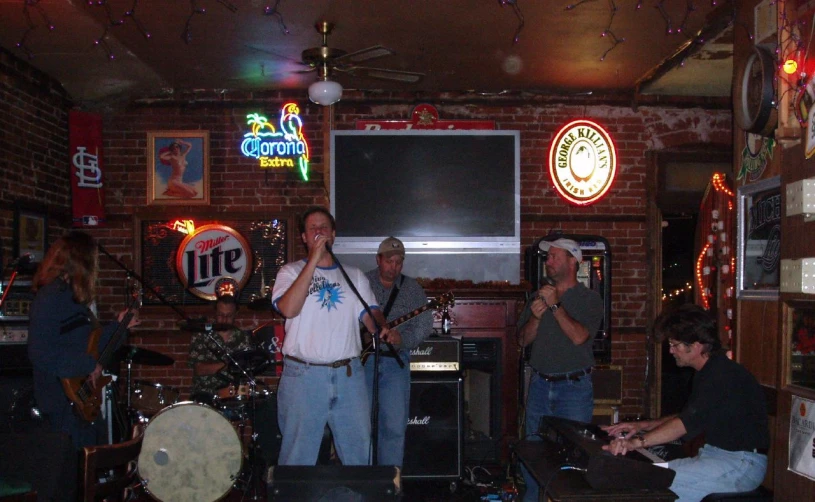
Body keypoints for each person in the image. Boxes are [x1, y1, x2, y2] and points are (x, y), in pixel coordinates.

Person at [602, 304, 769, 502]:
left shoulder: (720, 375)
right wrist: (641, 426)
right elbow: (690, 415)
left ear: (696, 345)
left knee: (650, 484)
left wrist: (633, 443)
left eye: (675, 345)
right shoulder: (710, 371)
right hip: (720, 458)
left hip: (740, 464)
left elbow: (683, 425)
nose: (671, 351)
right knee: (647, 475)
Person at [272, 206, 391, 466]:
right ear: (304, 237)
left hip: (349, 375)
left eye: (323, 227)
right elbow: (288, 309)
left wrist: (380, 326)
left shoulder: (354, 276)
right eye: (312, 228)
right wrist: (314, 260)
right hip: (304, 377)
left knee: (359, 453)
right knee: (297, 457)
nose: (318, 232)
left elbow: (371, 314)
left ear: (333, 235)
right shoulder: (289, 273)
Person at [26, 231, 139, 500]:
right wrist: (87, 365)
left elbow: (92, 346)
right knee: (64, 484)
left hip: (79, 403)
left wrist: (120, 327)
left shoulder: (75, 302)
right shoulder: (51, 297)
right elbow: (40, 352)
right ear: (82, 262)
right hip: (61, 404)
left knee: (84, 481)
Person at [516, 238, 603, 502]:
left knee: (573, 454)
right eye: (548, 257)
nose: (548, 261)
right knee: (533, 452)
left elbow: (579, 337)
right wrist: (535, 316)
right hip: (540, 385)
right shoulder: (538, 296)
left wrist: (555, 306)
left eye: (554, 256)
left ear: (573, 262)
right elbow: (521, 340)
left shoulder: (589, 298)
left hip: (573, 388)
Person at [363, 236, 433, 468]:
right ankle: (363, 480)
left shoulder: (412, 289)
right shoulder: (362, 282)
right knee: (361, 425)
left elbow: (424, 325)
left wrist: (402, 339)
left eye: (399, 262)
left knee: (394, 426)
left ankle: (389, 484)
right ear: (378, 259)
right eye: (389, 261)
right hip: (362, 363)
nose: (394, 266)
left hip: (395, 362)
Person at [187, 293, 255, 404]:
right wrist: (229, 365)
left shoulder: (243, 338)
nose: (224, 319)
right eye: (220, 315)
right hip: (205, 393)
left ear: (235, 314)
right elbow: (199, 369)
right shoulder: (202, 335)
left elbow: (247, 370)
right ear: (215, 313)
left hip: (234, 394)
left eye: (229, 316)